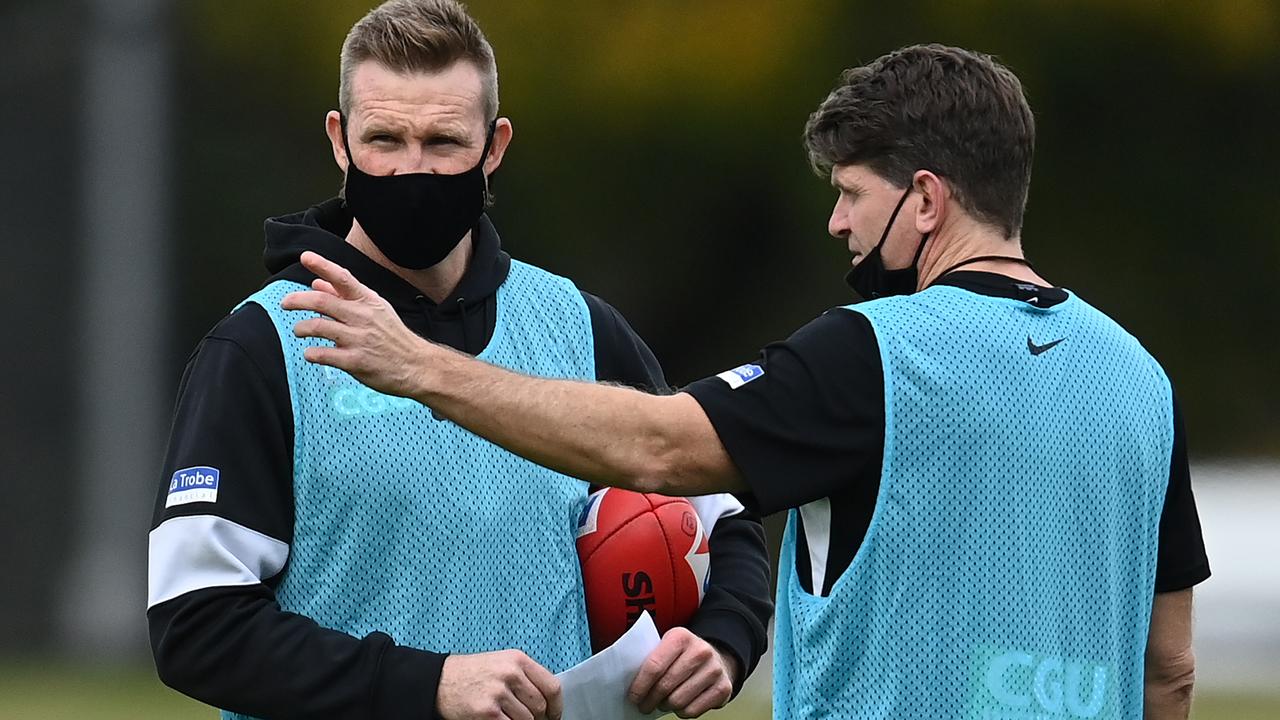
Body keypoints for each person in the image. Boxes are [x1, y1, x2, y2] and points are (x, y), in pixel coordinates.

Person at [284, 44, 1211, 719]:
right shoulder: (1140, 379)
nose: (839, 225)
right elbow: (1168, 669)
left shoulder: (873, 355)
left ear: (926, 200)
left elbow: (656, 445)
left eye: (852, 194)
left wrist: (421, 368)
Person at [146, 2, 773, 719]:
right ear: (339, 140)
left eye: (444, 142)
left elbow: (725, 516)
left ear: (495, 146)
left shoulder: (579, 327)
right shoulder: (259, 349)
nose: (413, 169)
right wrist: (429, 685)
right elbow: (195, 628)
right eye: (384, 138)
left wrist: (722, 639)